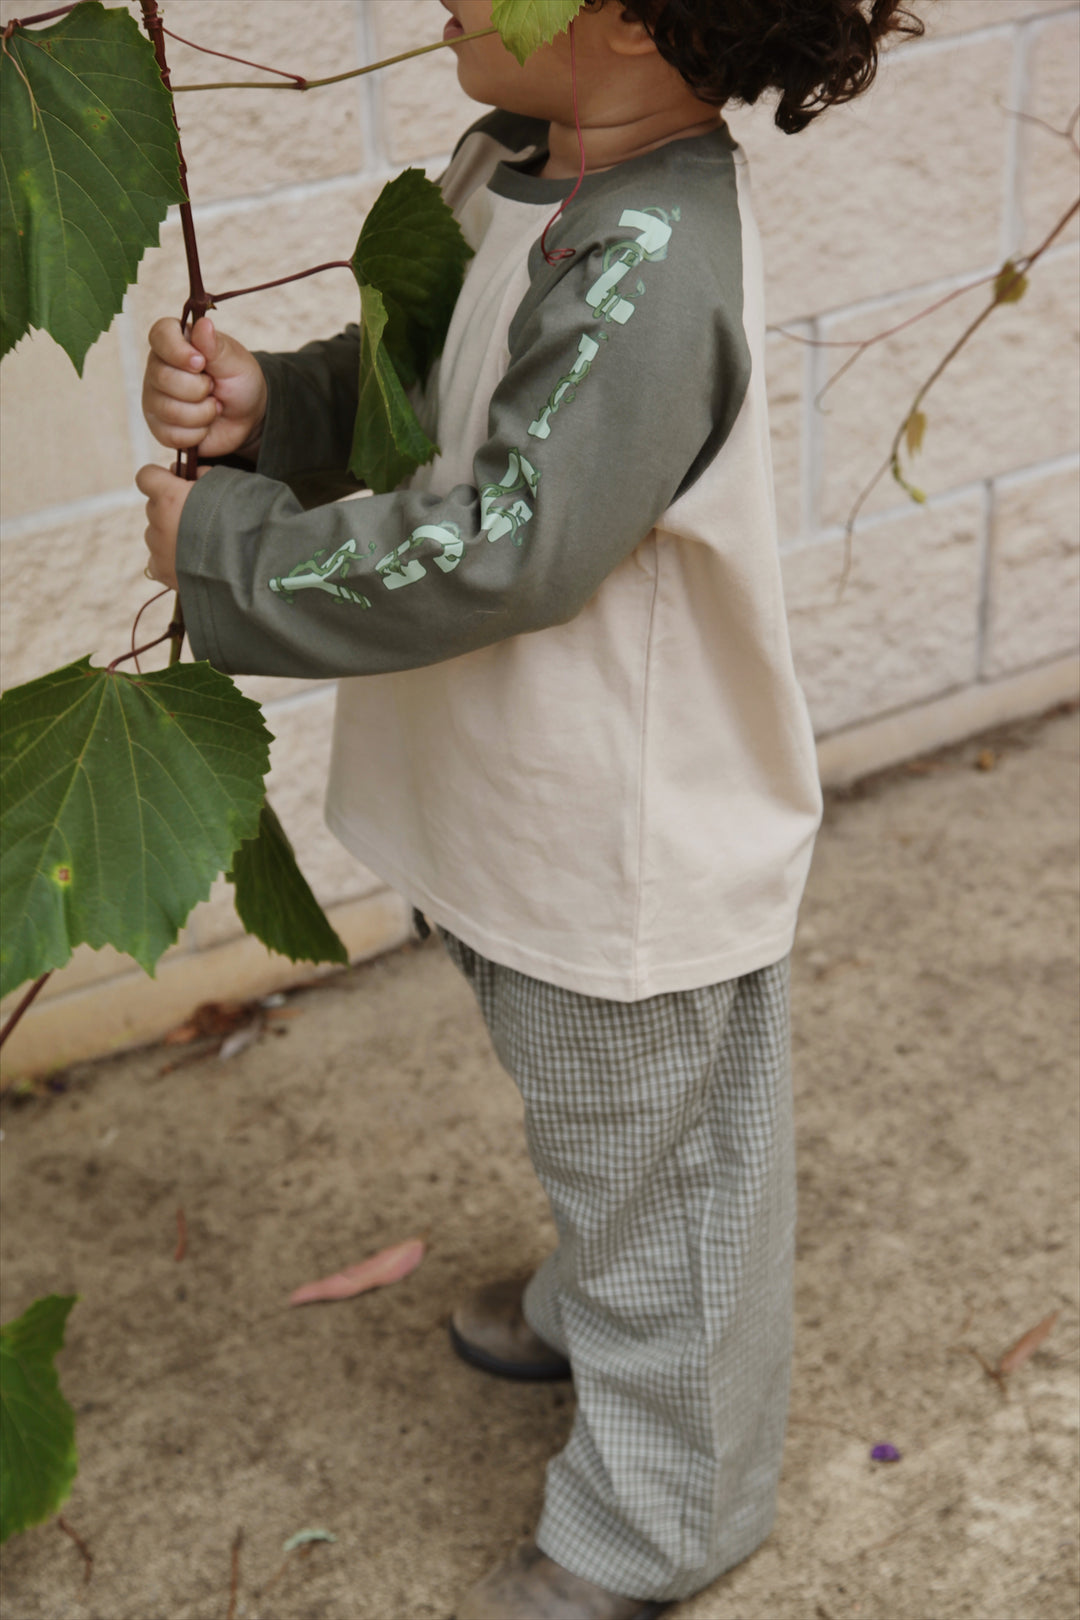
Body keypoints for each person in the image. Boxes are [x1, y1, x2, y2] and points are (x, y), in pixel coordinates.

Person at [138, 3, 924, 1614]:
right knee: (613, 1135)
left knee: (667, 1166)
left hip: (620, 833)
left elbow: (506, 535)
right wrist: (271, 411)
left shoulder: (651, 262)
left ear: (630, 19)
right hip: (510, 801)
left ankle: (665, 1517)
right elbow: (420, 376)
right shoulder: (512, 163)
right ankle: (608, 1288)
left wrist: (225, 552)